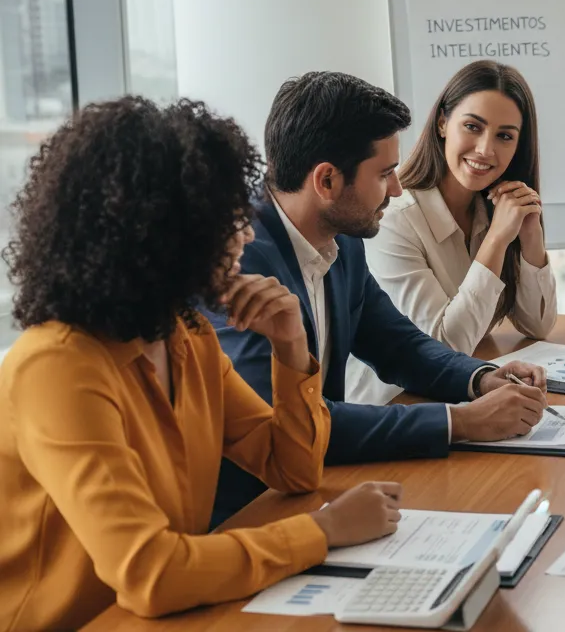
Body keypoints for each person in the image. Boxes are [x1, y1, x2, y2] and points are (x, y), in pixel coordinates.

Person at [0, 98, 402, 629]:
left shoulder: (186, 337)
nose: (248, 234)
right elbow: (151, 572)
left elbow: (293, 469)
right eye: (230, 220)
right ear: (164, 233)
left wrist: (290, 345)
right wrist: (324, 531)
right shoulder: (56, 368)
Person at [209, 72, 549, 526]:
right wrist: (462, 422)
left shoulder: (341, 237)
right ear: (327, 181)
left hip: (315, 489)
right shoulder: (236, 262)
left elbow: (398, 344)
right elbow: (288, 423)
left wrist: (481, 378)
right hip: (250, 515)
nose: (396, 189)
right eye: (385, 174)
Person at [349, 60, 556, 405]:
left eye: (504, 136)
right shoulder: (396, 219)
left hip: (458, 398)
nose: (486, 149)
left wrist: (530, 236)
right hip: (394, 406)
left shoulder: (492, 209)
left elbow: (538, 325)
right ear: (443, 123)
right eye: (473, 126)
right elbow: (441, 352)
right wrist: (497, 241)